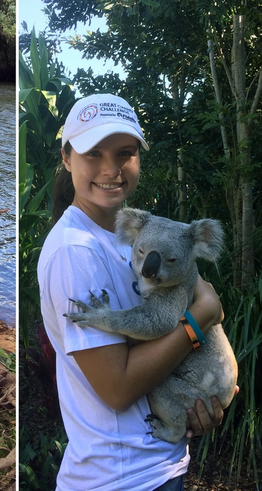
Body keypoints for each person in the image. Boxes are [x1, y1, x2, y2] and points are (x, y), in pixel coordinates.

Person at [36, 93, 229, 490]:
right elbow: (118, 388)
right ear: (67, 157)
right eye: (93, 154)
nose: (112, 170)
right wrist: (200, 319)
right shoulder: (76, 251)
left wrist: (202, 398)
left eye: (125, 153)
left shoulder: (133, 237)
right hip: (121, 476)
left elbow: (201, 296)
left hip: (157, 463)